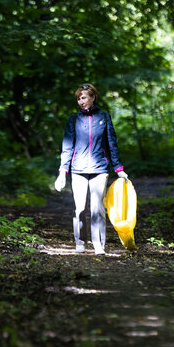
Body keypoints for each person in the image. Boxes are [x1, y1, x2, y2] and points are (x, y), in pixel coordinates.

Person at [55, 83, 128, 255]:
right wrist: (62, 171)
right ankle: (80, 243)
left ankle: (98, 244)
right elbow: (67, 146)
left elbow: (112, 144)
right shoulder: (74, 119)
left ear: (93, 97)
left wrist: (118, 168)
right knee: (79, 208)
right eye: (79, 98)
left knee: (97, 209)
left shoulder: (104, 117)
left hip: (100, 169)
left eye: (84, 97)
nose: (81, 101)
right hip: (78, 170)